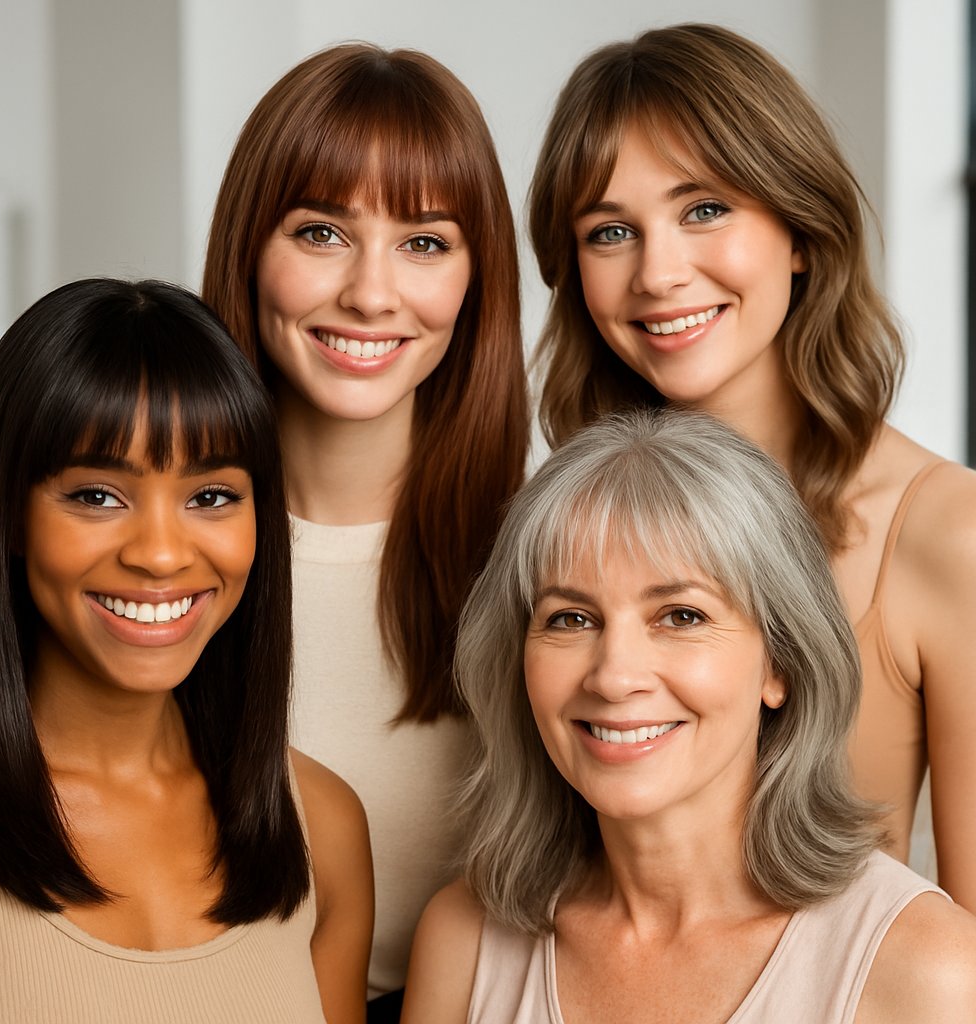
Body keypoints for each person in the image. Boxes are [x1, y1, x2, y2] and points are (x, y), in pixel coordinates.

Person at [525, 22, 976, 905]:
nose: (658, 273)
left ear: (801, 230)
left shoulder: (946, 531)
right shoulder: (560, 528)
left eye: (704, 209)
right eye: (611, 230)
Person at [402, 409, 976, 1023]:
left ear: (779, 662)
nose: (615, 676)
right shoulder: (462, 939)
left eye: (681, 616)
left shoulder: (926, 966)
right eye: (570, 618)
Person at [202, 43, 529, 1016]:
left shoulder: (551, 556)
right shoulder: (148, 557)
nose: (372, 294)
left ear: (477, 279)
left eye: (425, 242)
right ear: (248, 246)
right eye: (320, 233)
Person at [0, 279, 372, 1023]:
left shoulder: (321, 824)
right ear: (9, 514)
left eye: (210, 496)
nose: (159, 555)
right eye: (97, 495)